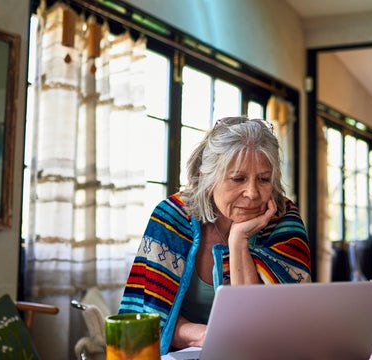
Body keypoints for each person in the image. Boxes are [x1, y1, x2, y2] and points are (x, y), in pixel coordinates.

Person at [118, 116, 312, 355]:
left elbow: (264, 327)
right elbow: (148, 316)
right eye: (238, 178)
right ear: (206, 178)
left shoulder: (284, 221)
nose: (252, 193)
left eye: (263, 179)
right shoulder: (171, 217)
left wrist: (239, 240)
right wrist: (203, 334)